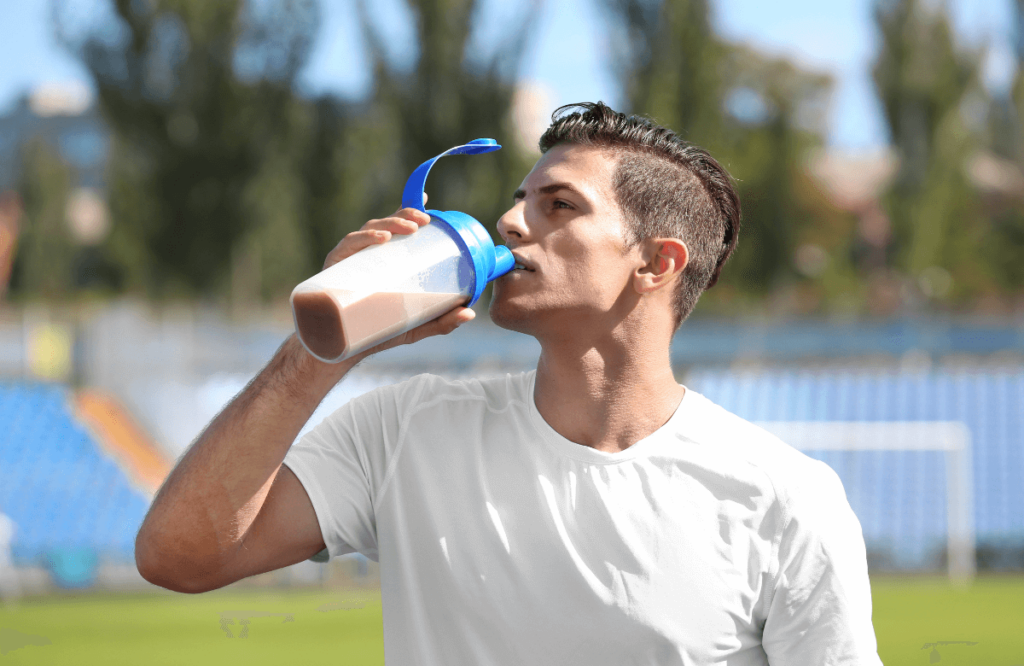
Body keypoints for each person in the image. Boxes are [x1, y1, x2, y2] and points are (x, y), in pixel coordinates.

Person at [136, 102, 882, 665]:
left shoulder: (784, 497)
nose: (509, 222)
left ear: (657, 264)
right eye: (520, 200)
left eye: (557, 206)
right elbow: (180, 556)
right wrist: (321, 348)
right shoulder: (403, 430)